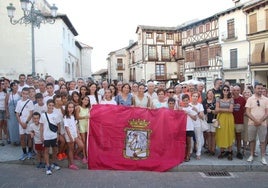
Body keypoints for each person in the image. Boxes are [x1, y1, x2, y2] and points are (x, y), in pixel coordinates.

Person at [246, 83, 268, 165]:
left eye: (261, 88)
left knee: (262, 141)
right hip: (252, 123)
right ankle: (251, 155)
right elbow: (248, 112)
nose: (260, 90)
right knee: (252, 140)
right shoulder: (250, 99)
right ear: (255, 89)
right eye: (258, 88)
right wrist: (255, 120)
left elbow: (267, 113)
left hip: (262, 124)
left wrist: (260, 121)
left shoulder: (266, 99)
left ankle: (263, 157)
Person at [40, 99, 61, 175]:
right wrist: (41, 135)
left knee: (55, 150)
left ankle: (54, 163)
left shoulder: (56, 115)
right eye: (49, 105)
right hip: (46, 136)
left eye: (52, 105)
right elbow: (41, 126)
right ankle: (48, 166)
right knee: (46, 151)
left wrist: (58, 134)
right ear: (47, 105)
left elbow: (58, 125)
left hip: (54, 136)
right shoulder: (43, 115)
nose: (51, 107)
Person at [64, 102, 86, 170]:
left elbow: (75, 126)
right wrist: (70, 137)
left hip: (75, 134)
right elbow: (66, 128)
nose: (71, 109)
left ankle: (74, 155)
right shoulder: (65, 117)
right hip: (69, 135)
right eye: (69, 107)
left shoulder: (73, 116)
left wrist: (78, 134)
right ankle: (71, 164)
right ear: (67, 108)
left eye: (72, 107)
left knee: (81, 145)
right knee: (71, 149)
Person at [215, 85, 235, 161]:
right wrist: (226, 109)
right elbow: (216, 110)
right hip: (221, 118)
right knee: (221, 134)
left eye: (227, 90)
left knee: (229, 134)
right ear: (222, 91)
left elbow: (231, 110)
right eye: (224, 90)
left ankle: (230, 152)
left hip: (229, 118)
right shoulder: (218, 99)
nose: (226, 91)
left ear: (229, 91)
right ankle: (222, 151)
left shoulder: (231, 99)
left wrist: (220, 109)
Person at [15, 87, 34, 160]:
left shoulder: (30, 102)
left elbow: (31, 113)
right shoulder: (19, 102)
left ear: (28, 94)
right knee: (22, 138)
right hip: (21, 123)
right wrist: (21, 123)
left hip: (28, 123)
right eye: (23, 93)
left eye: (26, 94)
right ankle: (24, 153)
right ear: (21, 93)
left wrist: (26, 123)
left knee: (29, 138)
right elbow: (17, 113)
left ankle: (29, 152)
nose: (25, 95)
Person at [181, 94, 197, 162]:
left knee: (189, 142)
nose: (185, 102)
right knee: (182, 143)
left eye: (187, 100)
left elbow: (195, 118)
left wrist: (188, 113)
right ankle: (182, 155)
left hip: (189, 127)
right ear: (182, 101)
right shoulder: (180, 108)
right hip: (182, 128)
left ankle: (188, 155)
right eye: (184, 101)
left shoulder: (191, 108)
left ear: (189, 100)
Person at [232, 85, 246, 159]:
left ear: (240, 91)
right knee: (231, 136)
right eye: (234, 90)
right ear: (232, 91)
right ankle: (230, 151)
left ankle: (238, 151)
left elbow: (245, 109)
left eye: (238, 90)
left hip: (239, 121)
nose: (236, 92)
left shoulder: (242, 99)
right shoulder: (230, 99)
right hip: (230, 121)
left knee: (238, 137)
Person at [5, 81, 21, 146]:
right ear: (11, 87)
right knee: (11, 126)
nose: (16, 86)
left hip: (18, 113)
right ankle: (13, 140)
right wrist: (7, 113)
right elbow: (6, 104)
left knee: (18, 126)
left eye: (17, 85)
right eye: (14, 85)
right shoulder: (8, 94)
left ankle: (18, 140)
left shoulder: (20, 94)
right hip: (11, 113)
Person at [190, 92, 205, 160]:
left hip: (197, 124)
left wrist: (197, 111)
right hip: (189, 124)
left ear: (198, 98)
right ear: (191, 97)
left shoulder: (200, 105)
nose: (195, 97)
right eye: (194, 96)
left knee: (198, 138)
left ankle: (198, 153)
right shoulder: (188, 104)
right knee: (190, 139)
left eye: (196, 96)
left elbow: (202, 117)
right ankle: (190, 152)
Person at [76, 95, 90, 160]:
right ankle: (84, 156)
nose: (86, 101)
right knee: (83, 141)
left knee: (87, 141)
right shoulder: (78, 107)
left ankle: (86, 155)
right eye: (85, 99)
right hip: (81, 126)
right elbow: (77, 117)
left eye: (87, 100)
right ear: (81, 100)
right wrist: (85, 117)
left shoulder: (88, 108)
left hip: (87, 126)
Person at [202, 89, 216, 155]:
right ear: (207, 95)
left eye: (211, 93)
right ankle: (209, 149)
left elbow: (218, 111)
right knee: (208, 134)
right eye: (209, 93)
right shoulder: (204, 102)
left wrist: (211, 111)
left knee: (213, 134)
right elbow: (202, 110)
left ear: (213, 94)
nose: (210, 94)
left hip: (214, 120)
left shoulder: (216, 101)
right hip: (206, 120)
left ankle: (213, 149)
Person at [0, 80, 8, 146]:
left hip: (5, 110)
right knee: (0, 125)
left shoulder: (5, 92)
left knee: (5, 124)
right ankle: (1, 139)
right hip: (0, 110)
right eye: (2, 84)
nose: (3, 85)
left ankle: (6, 137)